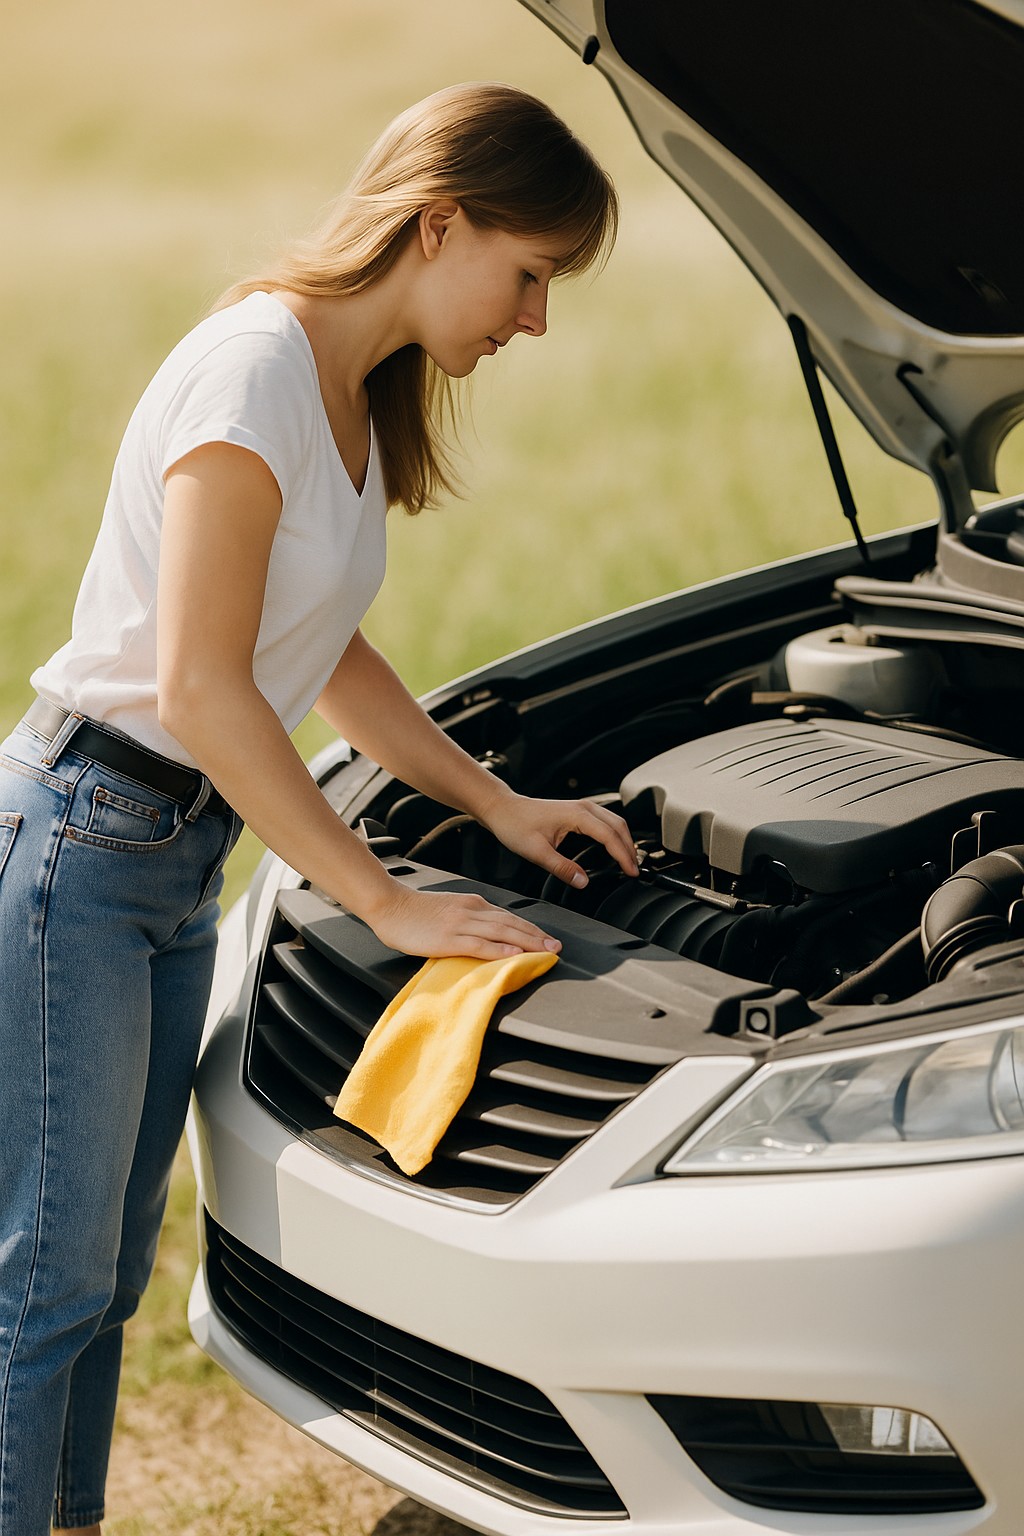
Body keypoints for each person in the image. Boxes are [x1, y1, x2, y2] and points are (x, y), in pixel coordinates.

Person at [0, 82, 637, 1535]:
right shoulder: (252, 371)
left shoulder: (345, 396)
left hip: (164, 861)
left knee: (94, 1284)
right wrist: (387, 899)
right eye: (530, 273)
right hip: (81, 847)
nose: (535, 320)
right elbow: (210, 688)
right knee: (43, 1284)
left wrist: (500, 801)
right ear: (438, 224)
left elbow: (322, 651)